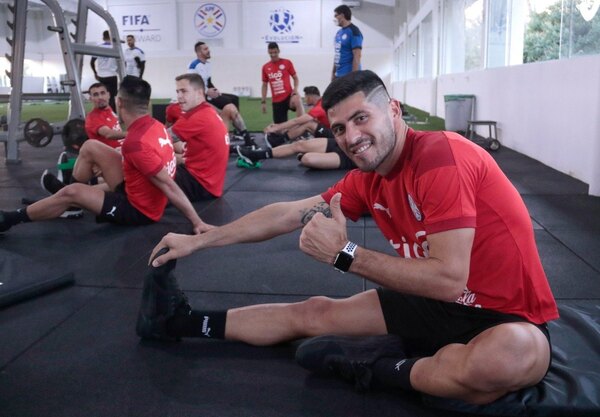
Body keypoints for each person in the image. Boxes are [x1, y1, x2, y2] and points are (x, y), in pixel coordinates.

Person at [136, 70, 558, 405]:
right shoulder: (366, 181)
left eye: (361, 119)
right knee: (314, 312)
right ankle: (179, 321)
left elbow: (450, 278)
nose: (350, 137)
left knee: (507, 358)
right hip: (435, 304)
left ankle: (377, 367)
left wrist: (345, 256)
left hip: (506, 315)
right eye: (338, 128)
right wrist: (200, 240)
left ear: (393, 110)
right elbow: (287, 213)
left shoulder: (440, 157)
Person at [0, 76, 211, 234]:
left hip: (139, 209)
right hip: (139, 186)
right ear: (146, 103)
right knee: (91, 146)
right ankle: (74, 205)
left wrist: (197, 222)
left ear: (118, 101)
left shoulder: (135, 144)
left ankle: (10, 219)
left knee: (71, 191)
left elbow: (168, 185)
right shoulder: (155, 125)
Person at [170, 73, 229, 201]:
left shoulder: (196, 117)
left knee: (147, 172)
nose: (179, 96)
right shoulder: (207, 110)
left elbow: (159, 140)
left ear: (199, 93)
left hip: (201, 184)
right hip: (211, 182)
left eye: (184, 91)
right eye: (177, 92)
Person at [188, 41, 254, 147]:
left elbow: (208, 82)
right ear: (199, 53)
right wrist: (207, 91)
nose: (208, 50)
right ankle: (238, 131)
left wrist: (215, 89)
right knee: (228, 103)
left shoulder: (207, 64)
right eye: (205, 49)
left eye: (208, 48)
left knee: (234, 98)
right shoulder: (193, 66)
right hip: (201, 97)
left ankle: (237, 130)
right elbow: (192, 85)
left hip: (208, 93)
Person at [236, 135, 356, 171]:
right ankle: (256, 155)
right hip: (341, 143)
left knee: (307, 159)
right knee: (300, 144)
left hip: (350, 157)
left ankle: (304, 155)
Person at [262, 86, 332, 146]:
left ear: (309, 97)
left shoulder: (319, 107)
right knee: (306, 122)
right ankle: (285, 137)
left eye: (305, 97)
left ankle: (278, 141)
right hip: (330, 131)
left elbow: (297, 121)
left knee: (307, 124)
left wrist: (277, 127)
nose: (304, 100)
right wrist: (282, 128)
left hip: (332, 135)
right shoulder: (321, 102)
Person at [261, 42, 303, 123]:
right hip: (277, 101)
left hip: (289, 97)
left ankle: (302, 126)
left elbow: (295, 78)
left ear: (279, 51)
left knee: (297, 99)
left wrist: (295, 89)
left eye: (275, 52)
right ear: (268, 52)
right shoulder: (265, 67)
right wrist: (263, 102)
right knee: (280, 130)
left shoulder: (287, 62)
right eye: (271, 53)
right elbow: (264, 85)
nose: (273, 55)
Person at [84, 82, 126, 150]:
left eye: (102, 93)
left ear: (108, 95)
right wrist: (132, 134)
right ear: (91, 99)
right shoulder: (92, 118)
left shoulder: (108, 109)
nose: (100, 97)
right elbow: (109, 134)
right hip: (112, 155)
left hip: (123, 149)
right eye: (95, 95)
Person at [332, 5, 363, 80]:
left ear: (342, 15)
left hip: (348, 76)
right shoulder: (338, 33)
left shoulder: (354, 32)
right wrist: (333, 74)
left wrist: (354, 78)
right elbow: (337, 55)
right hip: (338, 75)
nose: (334, 18)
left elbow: (357, 55)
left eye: (336, 15)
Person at [91, 30, 119, 112]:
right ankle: (113, 115)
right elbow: (122, 62)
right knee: (112, 97)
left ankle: (102, 115)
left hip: (102, 76)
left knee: (101, 96)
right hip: (112, 75)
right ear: (111, 37)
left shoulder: (98, 47)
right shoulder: (115, 47)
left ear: (103, 37)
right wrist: (117, 70)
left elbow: (92, 62)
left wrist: (95, 73)